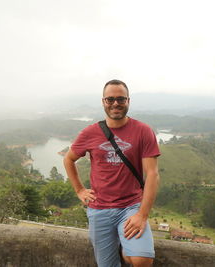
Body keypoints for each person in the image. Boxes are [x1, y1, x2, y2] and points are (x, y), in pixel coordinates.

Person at [63, 79, 160, 267]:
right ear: (103, 102)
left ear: (128, 101)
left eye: (121, 99)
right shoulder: (90, 133)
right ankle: (125, 244)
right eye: (110, 99)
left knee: (142, 259)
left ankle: (127, 248)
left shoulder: (143, 131)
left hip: (130, 206)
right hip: (99, 209)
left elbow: (153, 174)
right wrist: (79, 190)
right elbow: (68, 159)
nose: (116, 103)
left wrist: (142, 215)